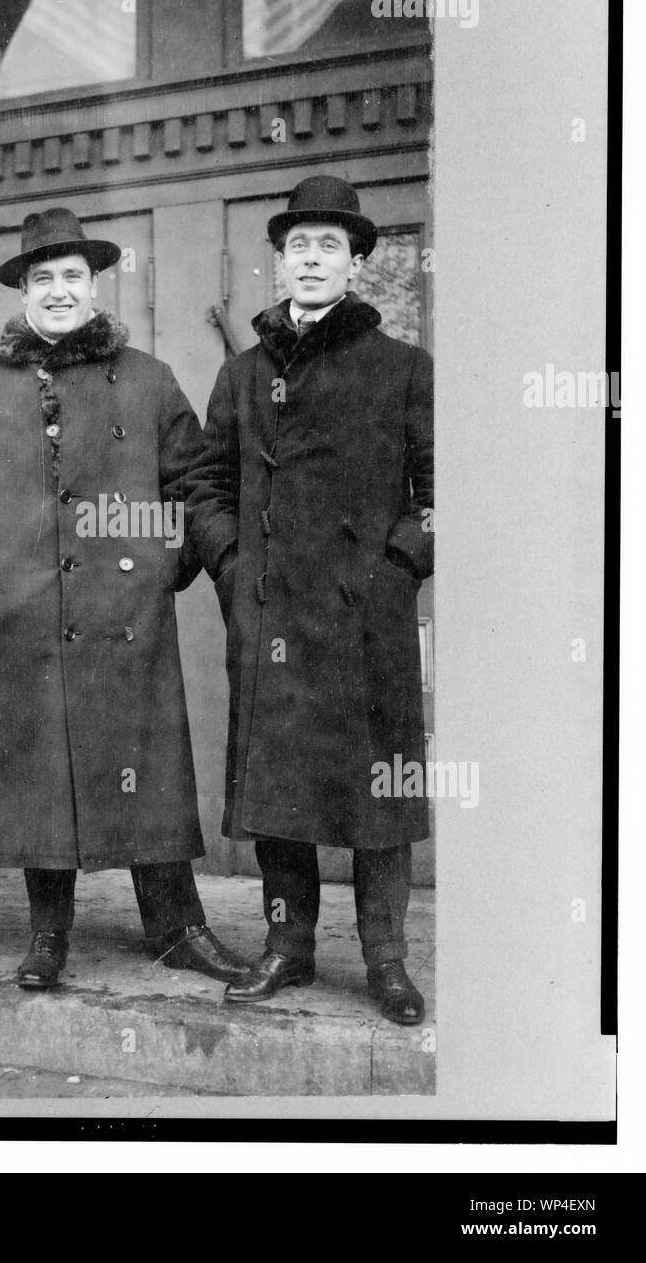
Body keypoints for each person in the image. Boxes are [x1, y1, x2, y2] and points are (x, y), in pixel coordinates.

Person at [0, 208, 247, 991]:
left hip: (125, 617)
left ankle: (177, 928)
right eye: (43, 279)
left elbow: (193, 482)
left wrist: (160, 565)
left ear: (95, 286)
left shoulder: (147, 379)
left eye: (72, 277)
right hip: (22, 613)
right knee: (40, 769)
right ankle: (47, 935)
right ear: (22, 293)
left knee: (146, 765)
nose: (59, 291)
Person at [187, 176, 433, 1024]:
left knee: (377, 802)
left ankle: (386, 961)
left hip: (367, 623)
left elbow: (441, 491)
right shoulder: (243, 373)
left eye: (331, 246)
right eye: (299, 246)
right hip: (271, 618)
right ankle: (286, 948)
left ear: (356, 264)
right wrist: (230, 567)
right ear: (279, 263)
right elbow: (204, 485)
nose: (313, 260)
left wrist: (392, 570)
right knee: (277, 795)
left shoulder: (404, 369)